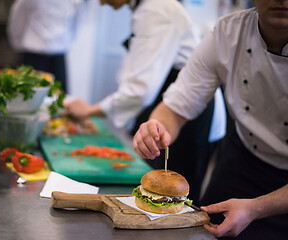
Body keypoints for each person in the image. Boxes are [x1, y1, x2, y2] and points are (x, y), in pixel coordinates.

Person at [132, 0, 288, 238]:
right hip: (242, 159)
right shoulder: (227, 33)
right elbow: (176, 106)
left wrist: (256, 208)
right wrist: (156, 128)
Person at [65, 0, 226, 204]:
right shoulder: (146, 9)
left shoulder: (157, 10)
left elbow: (139, 91)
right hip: (168, 112)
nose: (101, 2)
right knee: (155, 191)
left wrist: (89, 110)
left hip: (189, 116)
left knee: (177, 199)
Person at [7, 0, 85, 93]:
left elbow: (77, 21)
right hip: (34, 55)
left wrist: (66, 43)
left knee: (60, 98)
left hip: (58, 55)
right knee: (29, 97)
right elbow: (18, 18)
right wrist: (17, 43)